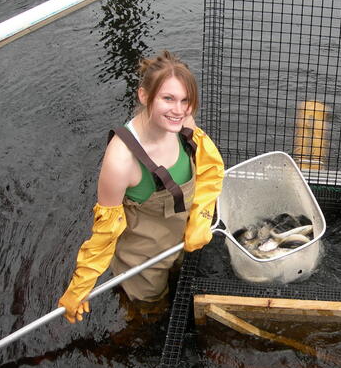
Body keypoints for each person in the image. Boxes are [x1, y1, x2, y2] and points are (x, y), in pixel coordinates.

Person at [58, 50, 224, 324]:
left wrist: (202, 216)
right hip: (144, 261)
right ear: (144, 96)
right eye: (168, 98)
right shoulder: (121, 160)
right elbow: (105, 232)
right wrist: (81, 285)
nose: (179, 110)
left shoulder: (182, 124)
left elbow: (210, 168)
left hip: (184, 240)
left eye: (185, 100)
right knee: (152, 314)